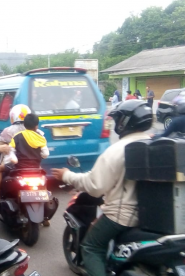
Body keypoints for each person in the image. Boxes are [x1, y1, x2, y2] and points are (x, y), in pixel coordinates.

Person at [51, 100, 153, 276]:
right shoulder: (156, 144)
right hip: (153, 216)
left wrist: (66, 175)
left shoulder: (118, 150)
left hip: (122, 216)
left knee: (91, 246)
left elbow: (95, 186)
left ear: (126, 122)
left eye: (118, 120)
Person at [0, 104, 32, 223]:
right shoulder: (35, 131)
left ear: (13, 116)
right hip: (31, 166)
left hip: (13, 166)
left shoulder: (8, 131)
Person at [0, 114, 49, 202]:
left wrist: (10, 160)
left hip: (19, 167)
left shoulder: (17, 136)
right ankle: (44, 194)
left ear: (25, 125)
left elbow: (11, 150)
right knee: (43, 175)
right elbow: (45, 154)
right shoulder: (41, 137)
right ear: (36, 126)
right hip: (35, 167)